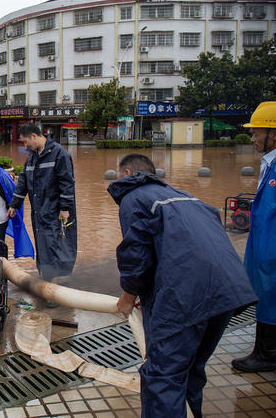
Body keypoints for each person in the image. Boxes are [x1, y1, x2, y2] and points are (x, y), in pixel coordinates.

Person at [108, 153, 256, 418]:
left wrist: (128, 295)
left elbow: (136, 254)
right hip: (226, 293)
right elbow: (181, 246)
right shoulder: (186, 196)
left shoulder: (133, 197)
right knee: (190, 370)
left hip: (186, 296)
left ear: (127, 174)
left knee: (162, 377)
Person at [232, 101, 276, 373]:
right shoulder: (269, 164)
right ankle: (264, 350)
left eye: (258, 132)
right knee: (264, 293)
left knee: (271, 296)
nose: (253, 138)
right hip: (264, 245)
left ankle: (267, 354)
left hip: (271, 249)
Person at [7, 123, 77, 281]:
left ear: (34, 136)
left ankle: (53, 287)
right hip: (39, 211)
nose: (25, 145)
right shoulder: (32, 156)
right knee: (43, 245)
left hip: (54, 211)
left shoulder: (59, 154)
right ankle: (46, 279)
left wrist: (65, 209)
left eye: (25, 142)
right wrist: (14, 205)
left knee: (54, 245)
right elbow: (23, 181)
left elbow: (67, 183)